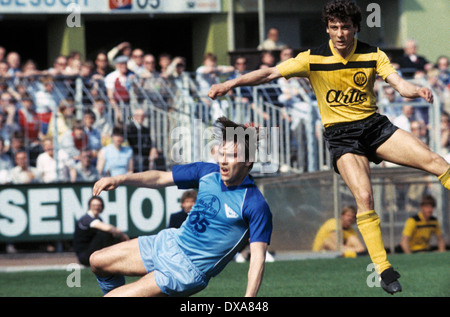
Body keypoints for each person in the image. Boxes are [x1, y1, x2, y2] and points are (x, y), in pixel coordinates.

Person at [208, 0, 450, 295]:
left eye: (345, 27)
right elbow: (269, 73)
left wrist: (417, 90)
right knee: (364, 196)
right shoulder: (312, 58)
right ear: (327, 28)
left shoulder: (373, 54)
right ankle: (384, 270)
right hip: (341, 136)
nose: (339, 33)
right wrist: (230, 83)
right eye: (334, 27)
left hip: (374, 126)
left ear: (355, 28)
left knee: (437, 163)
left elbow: (400, 84)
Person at [89, 117, 272, 297]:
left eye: (231, 156)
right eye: (221, 153)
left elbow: (257, 258)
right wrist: (120, 178)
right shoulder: (208, 172)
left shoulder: (255, 204)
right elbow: (160, 178)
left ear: (248, 161)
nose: (223, 160)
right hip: (169, 242)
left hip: (185, 271)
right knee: (97, 261)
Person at [73, 196, 129, 267]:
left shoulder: (98, 218)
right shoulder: (86, 219)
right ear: (89, 206)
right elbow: (108, 228)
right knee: (105, 234)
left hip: (92, 252)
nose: (96, 207)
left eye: (99, 205)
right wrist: (122, 234)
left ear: (102, 207)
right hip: (85, 256)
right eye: (94, 205)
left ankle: (119, 257)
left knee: (112, 235)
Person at [126, 108, 158, 172]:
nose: (141, 117)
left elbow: (149, 142)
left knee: (159, 157)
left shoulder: (146, 129)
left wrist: (153, 148)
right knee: (140, 160)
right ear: (134, 116)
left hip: (145, 153)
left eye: (143, 116)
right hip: (135, 154)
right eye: (138, 115)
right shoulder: (129, 128)